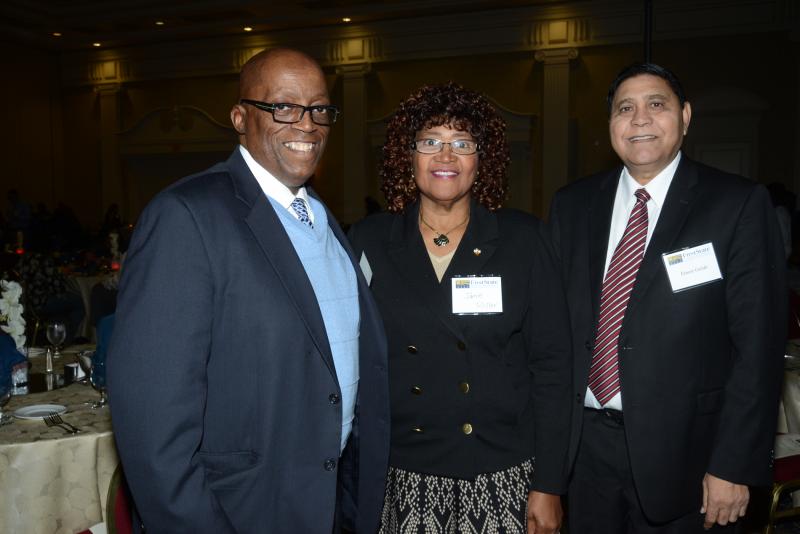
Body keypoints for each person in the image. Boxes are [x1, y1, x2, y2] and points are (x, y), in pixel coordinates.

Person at [108, 48, 390, 533]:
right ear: (240, 118)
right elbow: (154, 433)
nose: (307, 124)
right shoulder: (187, 216)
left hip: (327, 501)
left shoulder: (321, 217)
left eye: (320, 109)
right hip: (240, 511)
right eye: (283, 106)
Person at [548, 62, 787, 532]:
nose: (640, 119)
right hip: (585, 454)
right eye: (625, 108)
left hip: (690, 459)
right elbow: (553, 334)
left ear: (686, 116)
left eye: (656, 104)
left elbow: (757, 349)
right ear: (611, 125)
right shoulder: (572, 206)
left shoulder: (735, 204)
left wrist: (733, 464)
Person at [348, 82, 572, 534]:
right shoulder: (369, 241)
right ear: (406, 156)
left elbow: (553, 367)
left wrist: (549, 484)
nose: (445, 156)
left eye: (462, 144)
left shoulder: (523, 240)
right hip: (404, 472)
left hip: (501, 472)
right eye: (430, 141)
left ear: (480, 159)